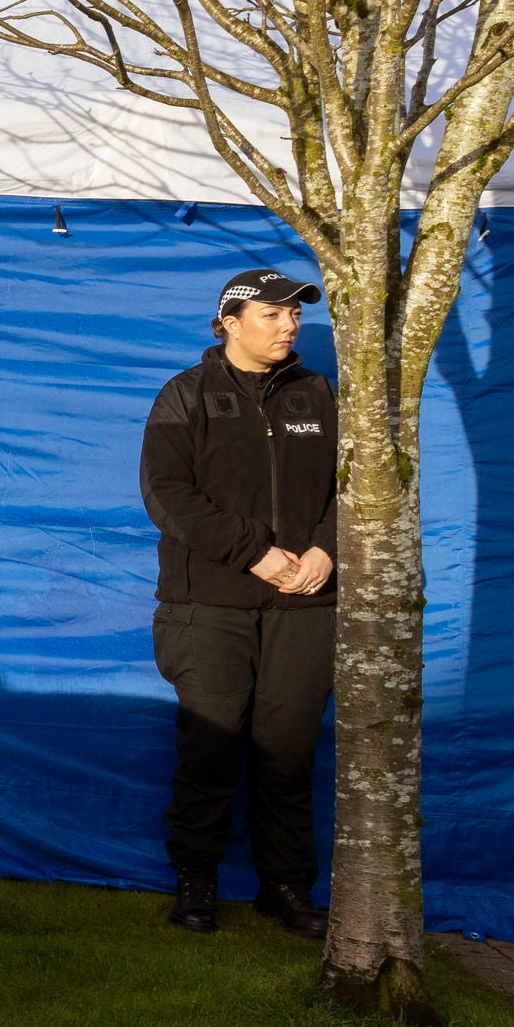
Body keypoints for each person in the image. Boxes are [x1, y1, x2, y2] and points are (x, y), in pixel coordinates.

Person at [139, 267, 339, 938]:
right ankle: (196, 882)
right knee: (210, 749)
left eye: (295, 315)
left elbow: (356, 486)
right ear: (229, 323)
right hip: (210, 606)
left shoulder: (319, 395)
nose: (289, 326)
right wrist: (252, 552)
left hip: (305, 608)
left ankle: (285, 887)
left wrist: (326, 548)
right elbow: (167, 493)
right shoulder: (186, 396)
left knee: (288, 753)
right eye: (273, 315)